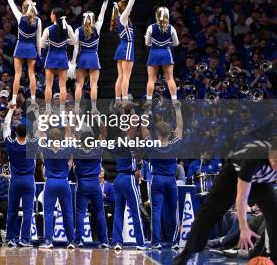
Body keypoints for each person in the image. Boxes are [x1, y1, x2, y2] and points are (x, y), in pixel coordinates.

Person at [174, 138, 277, 265]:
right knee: (207, 214)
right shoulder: (254, 156)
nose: (276, 165)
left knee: (275, 216)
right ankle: (185, 255)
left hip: (261, 180)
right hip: (233, 175)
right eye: (274, 160)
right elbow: (242, 196)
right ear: (269, 154)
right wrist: (243, 227)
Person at [140, 101, 184, 249]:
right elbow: (180, 128)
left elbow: (144, 128)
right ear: (168, 133)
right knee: (174, 212)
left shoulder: (152, 145)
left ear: (157, 133)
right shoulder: (174, 144)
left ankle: (156, 242)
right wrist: (177, 109)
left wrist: (146, 111)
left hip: (157, 179)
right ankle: (175, 242)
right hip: (171, 180)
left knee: (156, 212)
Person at [110, 108, 147, 250]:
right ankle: (141, 243)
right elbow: (134, 124)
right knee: (135, 211)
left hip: (118, 179)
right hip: (127, 178)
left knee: (118, 211)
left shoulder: (116, 142)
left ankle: (117, 242)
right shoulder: (126, 140)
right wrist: (132, 111)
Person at [2, 105, 37, 247]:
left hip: (15, 180)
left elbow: (5, 127)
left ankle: (11, 238)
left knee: (12, 210)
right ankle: (24, 239)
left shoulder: (10, 144)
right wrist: (35, 113)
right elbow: (40, 130)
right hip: (29, 179)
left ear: (15, 133)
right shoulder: (32, 144)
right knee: (28, 211)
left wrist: (10, 110)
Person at [38, 126, 75, 249]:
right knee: (68, 212)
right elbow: (71, 161)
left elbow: (41, 133)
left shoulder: (45, 148)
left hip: (51, 182)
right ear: (61, 137)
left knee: (48, 213)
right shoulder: (66, 148)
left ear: (49, 137)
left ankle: (48, 241)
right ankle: (71, 241)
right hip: (63, 181)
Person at [72, 130, 110, 248]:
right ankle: (104, 241)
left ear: (82, 142)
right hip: (95, 183)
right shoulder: (97, 151)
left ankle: (79, 240)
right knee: (99, 212)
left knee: (80, 212)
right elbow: (104, 134)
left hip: (82, 183)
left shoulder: (77, 152)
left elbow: (70, 138)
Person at [72, 0, 109, 113]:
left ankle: (76, 108)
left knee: (79, 85)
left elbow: (76, 48)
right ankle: (94, 108)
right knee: (94, 84)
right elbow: (102, 15)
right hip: (93, 58)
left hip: (82, 58)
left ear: (83, 19)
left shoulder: (78, 30)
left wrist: (73, 61)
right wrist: (105, 1)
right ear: (93, 19)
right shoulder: (96, 28)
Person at [5, 0, 42, 106]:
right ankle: (34, 100)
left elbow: (11, 3)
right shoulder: (38, 20)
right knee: (31, 74)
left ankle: (14, 99)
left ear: (23, 8)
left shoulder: (20, 16)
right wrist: (39, 54)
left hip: (20, 47)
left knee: (17, 74)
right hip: (31, 48)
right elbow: (38, 40)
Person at [40, 8, 76, 111]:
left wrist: (49, 43)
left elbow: (42, 45)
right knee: (63, 86)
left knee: (48, 85)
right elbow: (73, 42)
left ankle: (48, 109)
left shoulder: (48, 29)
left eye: (51, 14)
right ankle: (62, 109)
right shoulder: (67, 27)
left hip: (51, 57)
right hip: (62, 58)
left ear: (54, 16)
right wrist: (65, 41)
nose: (50, 16)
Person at [112, 0, 139, 104]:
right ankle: (125, 99)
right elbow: (130, 4)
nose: (131, 9)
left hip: (121, 47)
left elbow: (124, 3)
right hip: (127, 46)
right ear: (125, 9)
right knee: (126, 76)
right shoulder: (123, 18)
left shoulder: (119, 17)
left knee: (121, 76)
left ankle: (118, 100)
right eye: (128, 8)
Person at [145, 7, 179, 101]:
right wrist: (167, 44)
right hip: (166, 53)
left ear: (157, 15)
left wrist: (155, 43)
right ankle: (174, 99)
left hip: (154, 53)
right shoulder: (171, 28)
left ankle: (148, 100)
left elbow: (147, 43)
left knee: (151, 79)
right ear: (167, 16)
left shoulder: (151, 27)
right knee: (170, 78)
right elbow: (176, 43)